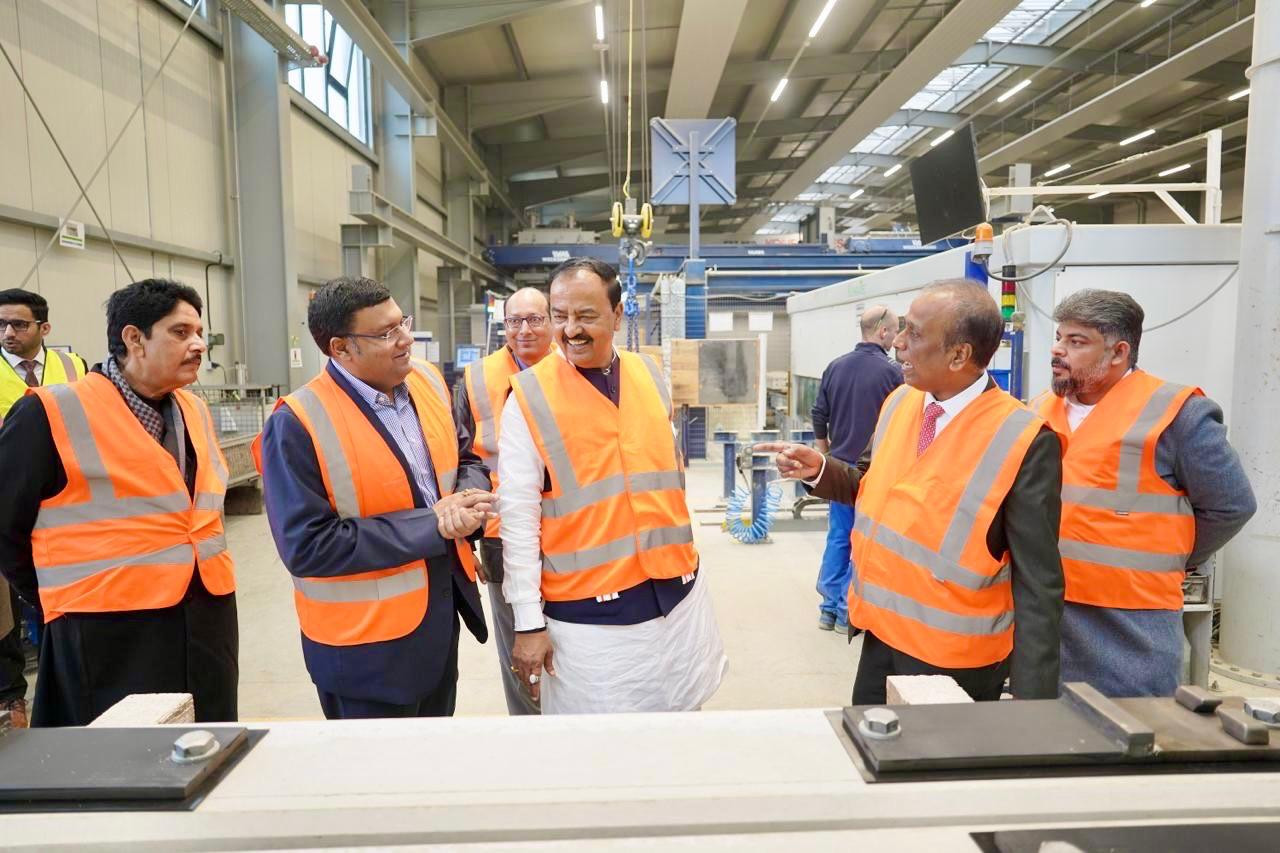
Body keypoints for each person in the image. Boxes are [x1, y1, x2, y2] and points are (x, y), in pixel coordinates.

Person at [761, 279, 1064, 704]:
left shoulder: (1023, 439)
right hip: (881, 637)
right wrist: (822, 471)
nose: (899, 342)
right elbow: (872, 485)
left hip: (955, 661)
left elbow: (1038, 583)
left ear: (959, 355)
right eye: (902, 328)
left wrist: (1033, 703)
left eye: (915, 333)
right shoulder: (900, 402)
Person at [0, 278, 238, 727]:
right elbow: (6, 527)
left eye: (199, 333)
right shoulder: (49, 413)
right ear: (134, 339)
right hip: (104, 630)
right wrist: (61, 594)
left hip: (206, 619)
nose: (198, 345)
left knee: (208, 740)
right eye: (180, 332)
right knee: (117, 753)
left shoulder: (194, 410)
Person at [258, 277, 492, 720]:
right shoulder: (298, 423)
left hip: (437, 625)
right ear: (340, 348)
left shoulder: (426, 381)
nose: (406, 340)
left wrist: (466, 502)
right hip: (363, 651)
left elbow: (466, 457)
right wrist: (435, 524)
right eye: (386, 334)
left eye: (403, 323)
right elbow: (308, 546)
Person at [499, 257, 726, 714]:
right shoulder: (528, 398)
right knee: (599, 745)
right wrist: (527, 621)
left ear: (618, 315)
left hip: (677, 596)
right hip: (591, 619)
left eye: (586, 316)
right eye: (560, 316)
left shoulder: (649, 375)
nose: (570, 330)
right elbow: (518, 520)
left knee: (683, 724)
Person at [1036, 289, 1255, 697]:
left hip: (1127, 627)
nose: (1058, 350)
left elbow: (1231, 505)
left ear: (1118, 352)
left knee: (1129, 726)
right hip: (1046, 612)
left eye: (1076, 341)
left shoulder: (1178, 414)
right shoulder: (1039, 410)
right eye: (1059, 337)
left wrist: (1171, 557)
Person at [453, 287, 554, 716]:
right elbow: (460, 461)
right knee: (521, 653)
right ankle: (530, 733)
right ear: (504, 325)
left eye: (535, 319)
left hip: (572, 528)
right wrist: (465, 539)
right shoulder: (476, 379)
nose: (524, 330)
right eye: (515, 321)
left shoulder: (573, 369)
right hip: (501, 534)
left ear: (552, 321)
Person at [0, 289, 89, 728]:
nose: (8, 333)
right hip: (10, 494)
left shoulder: (74, 366)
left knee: (61, 596)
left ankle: (66, 681)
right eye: (1, 325)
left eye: (18, 324)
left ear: (44, 327)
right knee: (6, 607)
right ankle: (11, 696)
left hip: (65, 496)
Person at [810, 305, 902, 633]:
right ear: (882, 331)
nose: (897, 339)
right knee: (863, 539)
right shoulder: (893, 374)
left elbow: (819, 413)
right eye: (895, 331)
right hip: (873, 471)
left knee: (839, 536)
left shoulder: (835, 366)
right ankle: (847, 610)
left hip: (838, 467)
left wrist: (825, 456)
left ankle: (828, 609)